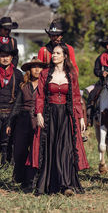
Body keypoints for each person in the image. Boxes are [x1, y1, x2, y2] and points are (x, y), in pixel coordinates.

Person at [30, 43, 89, 196]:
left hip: (66, 115)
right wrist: (39, 114)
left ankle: (67, 185)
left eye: (57, 53)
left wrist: (81, 117)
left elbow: (76, 97)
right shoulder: (44, 74)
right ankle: (51, 184)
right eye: (53, 53)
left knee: (66, 149)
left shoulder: (71, 74)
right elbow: (40, 96)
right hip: (50, 114)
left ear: (64, 56)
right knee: (51, 148)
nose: (54, 56)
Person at [5, 57, 48, 189]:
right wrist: (10, 123)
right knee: (20, 150)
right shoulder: (24, 86)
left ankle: (33, 180)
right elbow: (17, 105)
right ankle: (18, 179)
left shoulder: (46, 85)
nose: (37, 69)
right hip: (23, 120)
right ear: (29, 70)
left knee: (37, 151)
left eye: (39, 67)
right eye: (34, 67)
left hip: (39, 121)